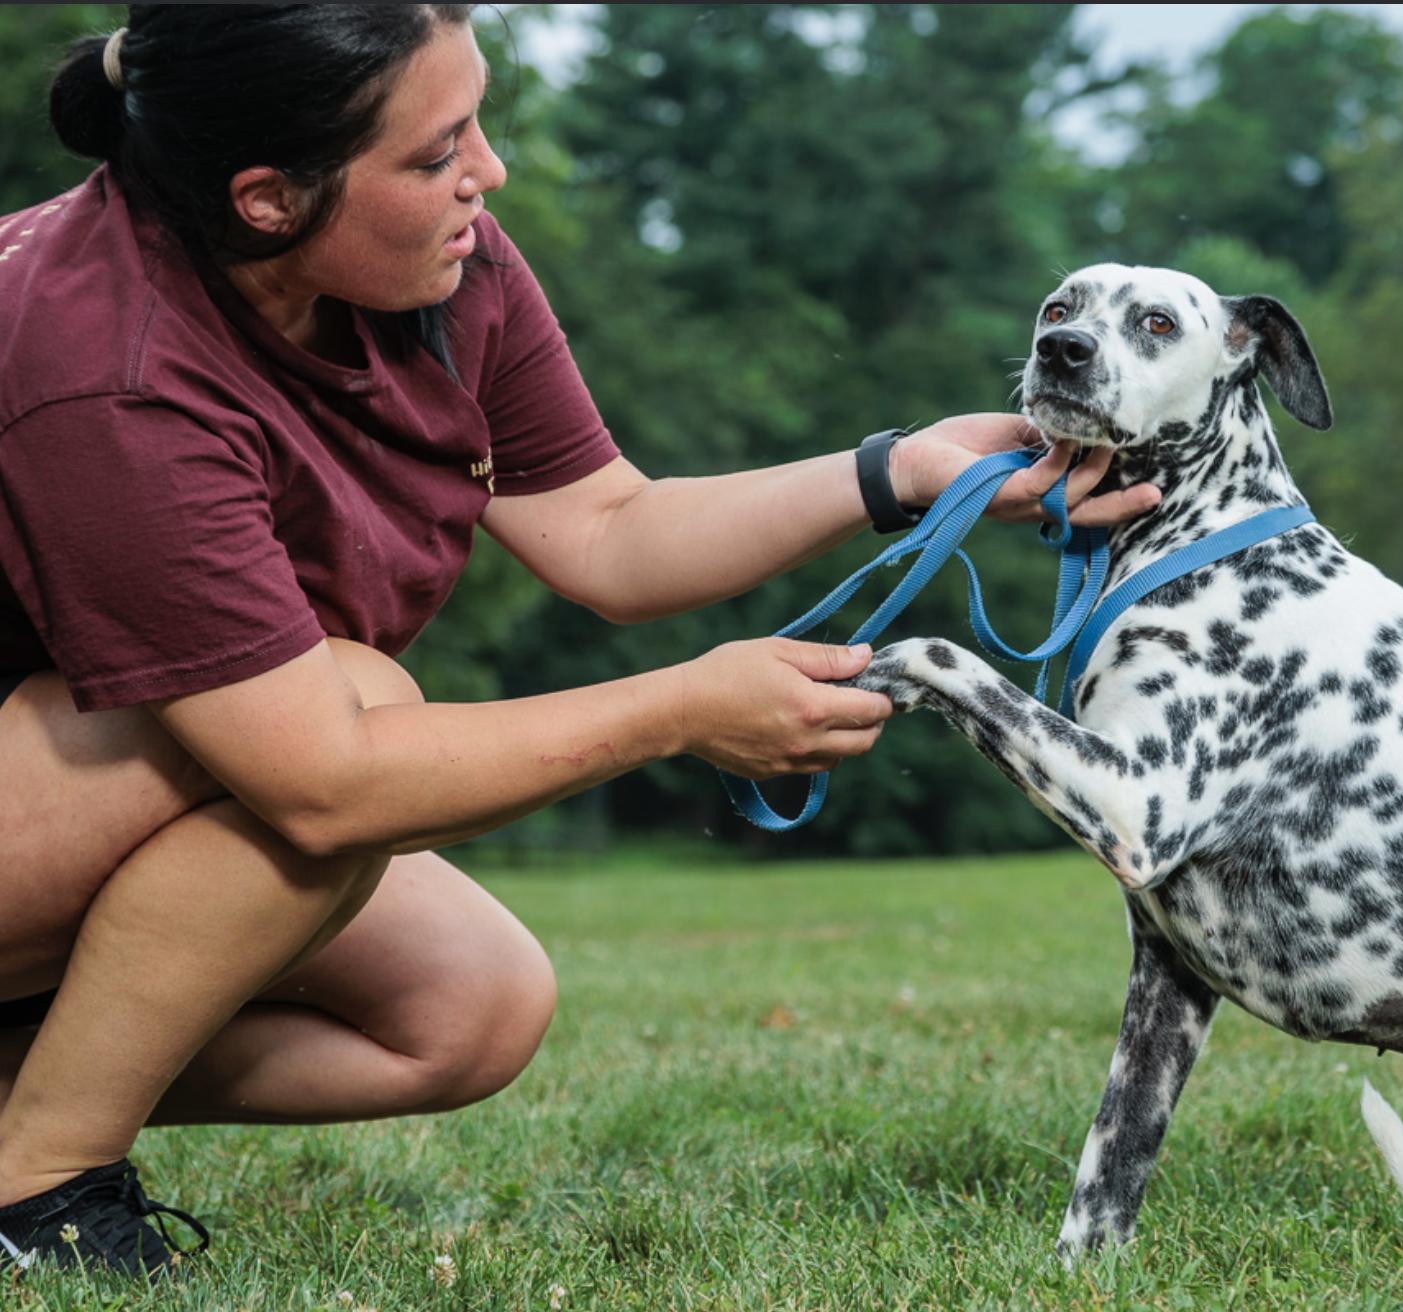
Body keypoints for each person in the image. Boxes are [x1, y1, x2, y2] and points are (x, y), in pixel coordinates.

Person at [0, 4, 1158, 1277]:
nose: (486, 174)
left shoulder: (443, 267)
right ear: (269, 199)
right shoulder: (106, 365)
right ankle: (37, 1183)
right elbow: (320, 782)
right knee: (355, 711)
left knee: (468, 1008)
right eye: (437, 153)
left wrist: (898, 473)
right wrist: (676, 712)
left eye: (476, 121)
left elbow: (609, 531)